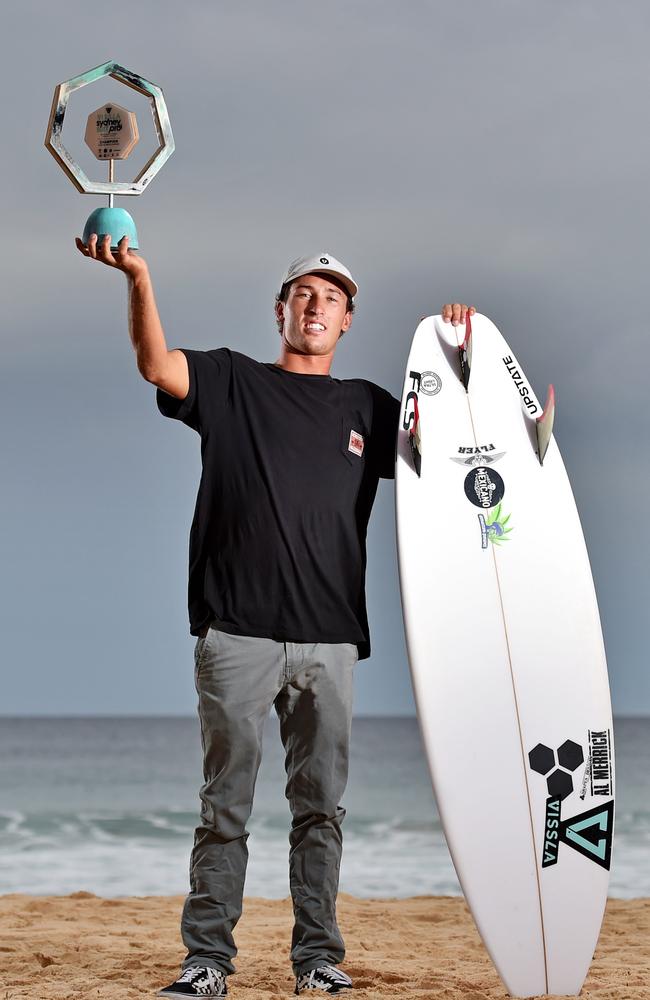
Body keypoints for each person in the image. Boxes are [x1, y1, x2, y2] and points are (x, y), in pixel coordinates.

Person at [75, 234, 474, 998]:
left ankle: (318, 960)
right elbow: (157, 365)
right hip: (236, 632)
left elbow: (452, 451)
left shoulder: (365, 405)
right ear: (282, 309)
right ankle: (207, 963)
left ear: (349, 319)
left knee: (319, 810)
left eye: (333, 297)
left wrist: (461, 356)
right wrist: (139, 276)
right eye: (305, 293)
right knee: (224, 806)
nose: (317, 305)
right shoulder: (232, 381)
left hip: (330, 638)